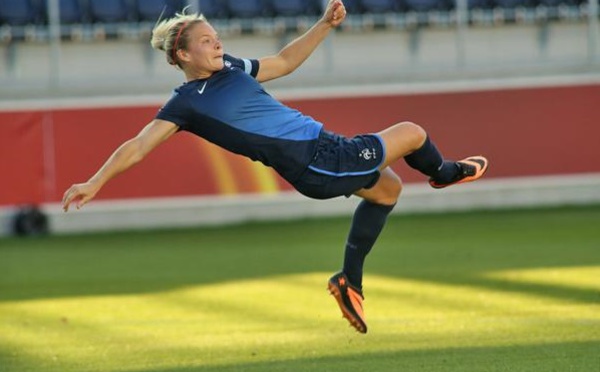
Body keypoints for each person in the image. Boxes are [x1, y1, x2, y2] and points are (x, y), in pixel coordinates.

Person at [62, 0, 488, 334]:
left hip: (325, 150)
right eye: (207, 40)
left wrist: (323, 24)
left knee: (387, 189)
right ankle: (444, 173)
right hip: (318, 162)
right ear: (182, 53)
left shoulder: (229, 67)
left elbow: (283, 62)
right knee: (412, 132)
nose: (217, 43)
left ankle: (349, 283)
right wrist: (95, 181)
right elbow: (138, 145)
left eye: (216, 36)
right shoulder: (185, 104)